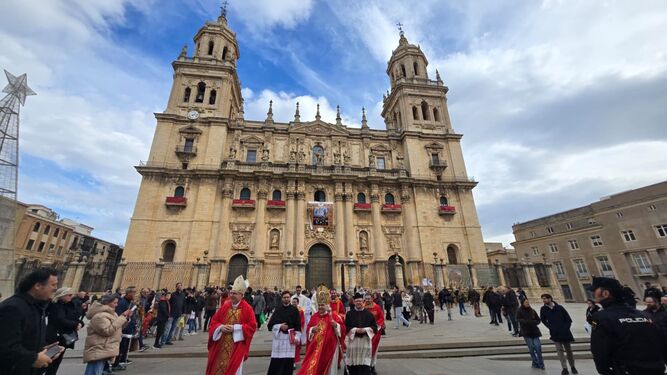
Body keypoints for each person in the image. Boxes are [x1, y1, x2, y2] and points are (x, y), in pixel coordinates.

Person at [589, 276, 665, 375]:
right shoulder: (645, 315)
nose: (593, 294)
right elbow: (662, 342)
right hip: (657, 369)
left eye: (595, 291)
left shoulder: (601, 317)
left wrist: (605, 371)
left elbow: (599, 351)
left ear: (605, 293)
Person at [0, 268, 60, 375]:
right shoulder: (13, 308)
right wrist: (34, 358)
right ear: (37, 286)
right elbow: (5, 346)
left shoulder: (37, 307)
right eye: (53, 285)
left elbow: (27, 340)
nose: (56, 289)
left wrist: (45, 349)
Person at [206, 276, 257, 375]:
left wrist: (235, 328)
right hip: (221, 343)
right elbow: (214, 321)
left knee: (234, 369)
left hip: (237, 346)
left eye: (235, 293)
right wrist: (221, 327)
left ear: (241, 295)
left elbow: (252, 326)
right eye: (231, 293)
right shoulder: (225, 306)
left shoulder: (247, 309)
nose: (232, 295)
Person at [297, 286, 345, 375]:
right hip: (317, 348)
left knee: (330, 370)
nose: (320, 307)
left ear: (327, 305)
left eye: (322, 305)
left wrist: (336, 325)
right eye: (319, 305)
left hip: (331, 347)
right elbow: (308, 329)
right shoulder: (314, 316)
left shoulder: (333, 315)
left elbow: (342, 328)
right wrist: (312, 329)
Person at [83, 294, 131, 375]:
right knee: (94, 372)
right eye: (115, 303)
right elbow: (107, 331)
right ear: (107, 303)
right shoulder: (99, 316)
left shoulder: (112, 313)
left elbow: (117, 328)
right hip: (99, 347)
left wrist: (125, 318)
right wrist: (121, 318)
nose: (117, 305)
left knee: (96, 371)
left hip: (104, 347)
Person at [46, 287, 82, 375]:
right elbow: (60, 320)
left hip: (64, 338)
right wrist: (75, 324)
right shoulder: (56, 306)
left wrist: (80, 323)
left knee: (56, 361)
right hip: (56, 337)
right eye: (69, 295)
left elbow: (75, 317)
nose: (71, 297)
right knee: (48, 359)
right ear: (61, 295)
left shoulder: (69, 305)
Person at [540, 293, 577, 375]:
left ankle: (572, 366)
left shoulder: (560, 308)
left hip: (565, 332)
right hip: (555, 333)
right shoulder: (543, 309)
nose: (544, 300)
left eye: (545, 298)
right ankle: (564, 368)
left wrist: (566, 328)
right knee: (559, 350)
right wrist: (550, 327)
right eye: (543, 299)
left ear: (550, 299)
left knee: (569, 350)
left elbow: (568, 319)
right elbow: (543, 320)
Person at [266, 291, 301, 375]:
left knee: (288, 363)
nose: (286, 299)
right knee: (276, 363)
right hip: (279, 339)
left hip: (289, 340)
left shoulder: (294, 310)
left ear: (290, 298)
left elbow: (298, 325)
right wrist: (280, 326)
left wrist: (297, 338)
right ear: (281, 299)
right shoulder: (278, 310)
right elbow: (270, 325)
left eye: (288, 297)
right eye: (284, 297)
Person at [345, 293, 377, 375]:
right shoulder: (349, 314)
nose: (358, 303)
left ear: (363, 301)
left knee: (364, 364)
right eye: (356, 301)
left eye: (360, 301)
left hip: (365, 342)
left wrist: (365, 330)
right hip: (353, 342)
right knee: (352, 363)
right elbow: (346, 327)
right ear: (354, 302)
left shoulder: (369, 314)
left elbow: (374, 327)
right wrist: (355, 330)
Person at [112, 286, 137, 370]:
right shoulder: (122, 303)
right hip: (123, 328)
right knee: (120, 346)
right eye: (133, 292)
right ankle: (115, 363)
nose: (134, 294)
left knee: (124, 346)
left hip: (129, 327)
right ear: (128, 293)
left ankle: (120, 361)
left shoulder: (131, 303)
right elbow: (118, 316)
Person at [516, 298, 544, 370]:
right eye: (526, 302)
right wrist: (526, 322)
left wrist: (534, 322)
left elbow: (538, 320)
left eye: (528, 302)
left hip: (535, 332)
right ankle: (535, 362)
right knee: (531, 348)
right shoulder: (519, 311)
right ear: (523, 303)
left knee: (538, 348)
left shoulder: (532, 311)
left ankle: (541, 363)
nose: (528, 303)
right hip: (526, 332)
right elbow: (518, 319)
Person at [364, 293, 385, 374]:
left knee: (374, 350)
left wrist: (376, 326)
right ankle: (366, 366)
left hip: (375, 333)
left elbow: (381, 318)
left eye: (369, 298)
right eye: (366, 299)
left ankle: (372, 366)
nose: (368, 300)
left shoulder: (377, 307)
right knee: (366, 350)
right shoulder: (363, 307)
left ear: (372, 299)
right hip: (365, 332)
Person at [291, 297, 306, 367]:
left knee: (297, 346)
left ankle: (294, 360)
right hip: (290, 330)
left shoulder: (300, 311)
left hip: (297, 330)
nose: (294, 303)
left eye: (295, 302)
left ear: (298, 303)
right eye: (293, 302)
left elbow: (302, 321)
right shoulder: (289, 309)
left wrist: (300, 329)